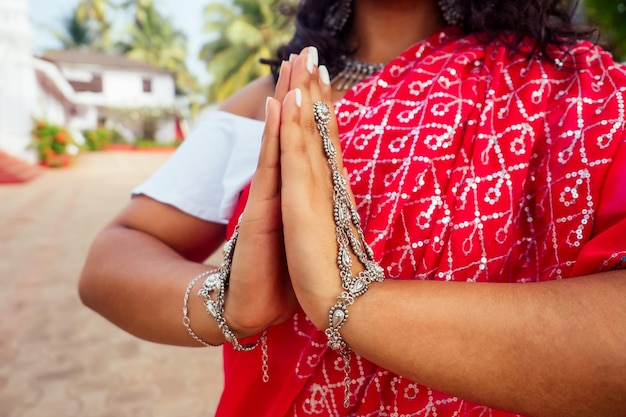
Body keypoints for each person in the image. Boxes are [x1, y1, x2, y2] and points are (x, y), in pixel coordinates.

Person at [79, 0, 626, 416]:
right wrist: (224, 304)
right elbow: (113, 256)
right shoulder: (271, 98)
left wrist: (352, 303)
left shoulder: (575, 93)